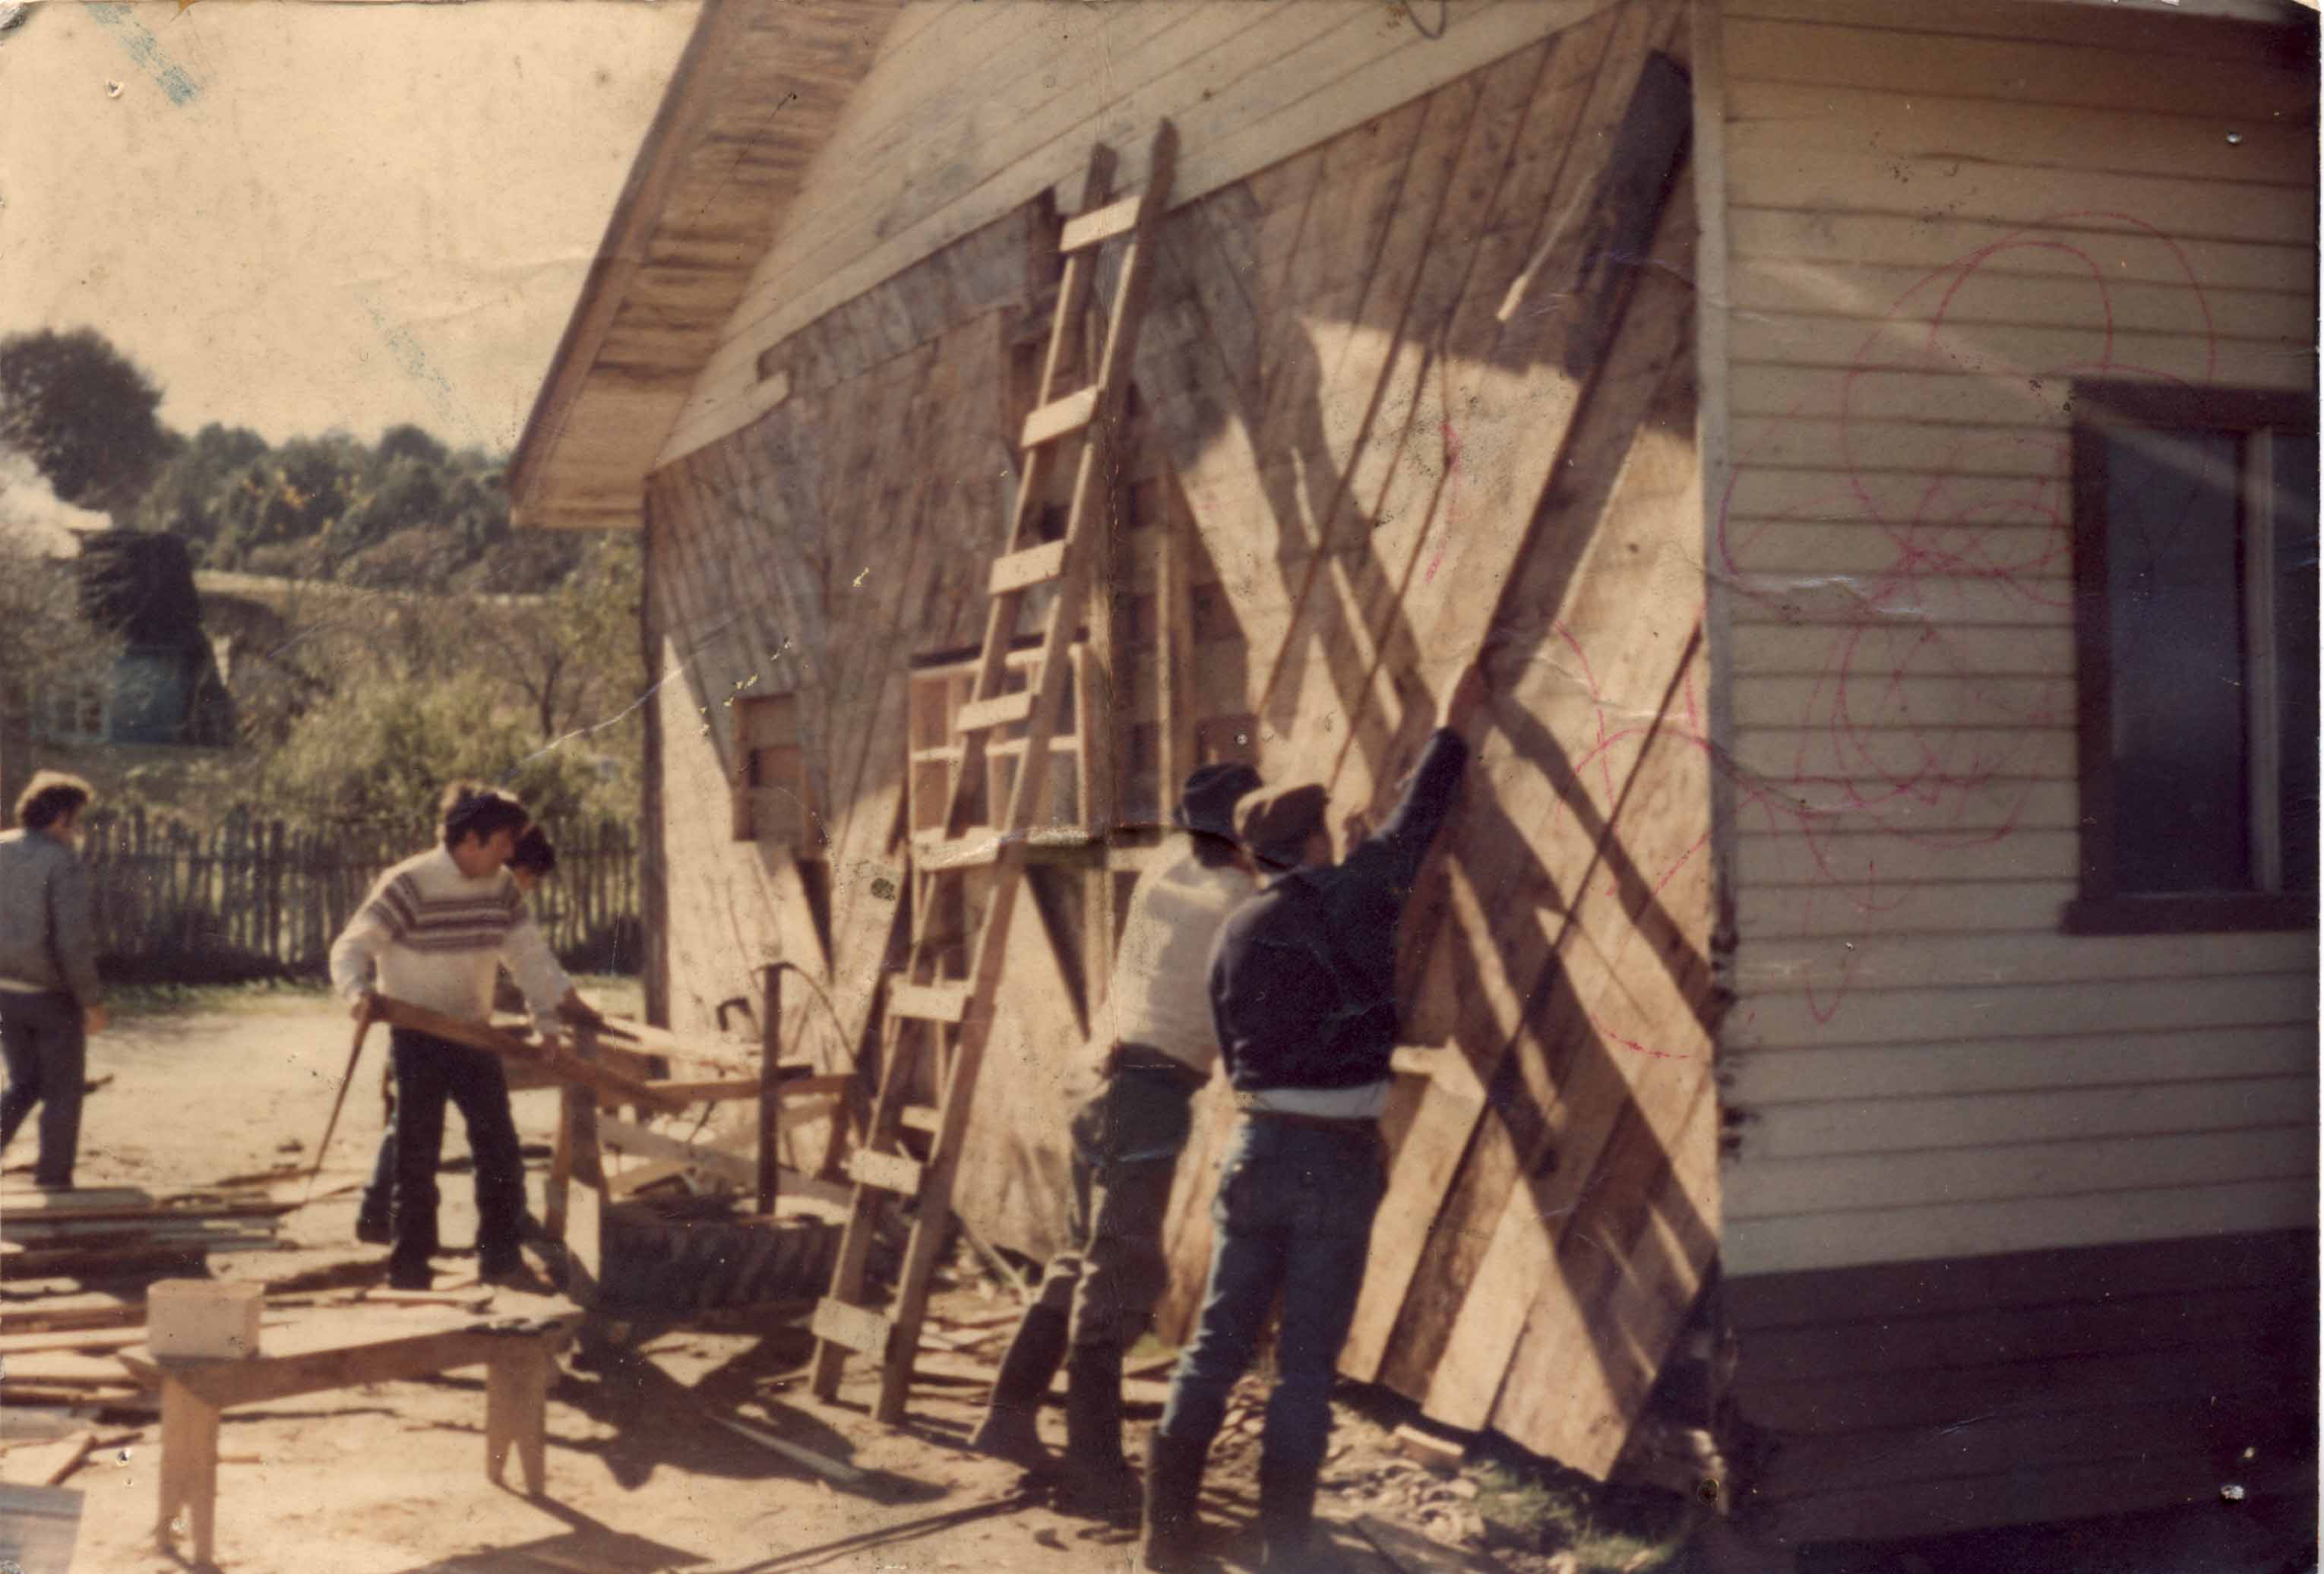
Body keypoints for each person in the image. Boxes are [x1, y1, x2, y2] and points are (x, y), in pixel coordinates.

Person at [1142, 678, 1478, 1572]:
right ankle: (1284, 1551)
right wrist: (1449, 723)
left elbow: (1232, 1037)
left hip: (1255, 1147)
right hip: (1335, 1159)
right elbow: (1417, 821)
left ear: (1255, 856)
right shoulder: (1360, 891)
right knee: (1302, 1368)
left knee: (1214, 1346)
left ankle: (1161, 1539)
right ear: (1317, 839)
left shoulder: (1236, 932)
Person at [969, 762, 1264, 1519]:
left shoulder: (1167, 865)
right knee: (1119, 1272)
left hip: (1100, 1074)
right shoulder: (1237, 899)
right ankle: (1093, 1468)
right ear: (1238, 836)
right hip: (1149, 1091)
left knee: (1078, 1257)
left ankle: (1007, 1415)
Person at [330, 787, 598, 1289]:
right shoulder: (409, 884)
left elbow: (529, 957)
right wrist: (356, 993)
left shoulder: (500, 888)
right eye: (501, 843)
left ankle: (499, 1259)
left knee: (499, 1151)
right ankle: (409, 1273)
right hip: (418, 1038)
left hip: (475, 1036)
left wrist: (547, 1023)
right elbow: (351, 948)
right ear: (470, 841)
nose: (510, 855)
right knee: (416, 1157)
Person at [353, 826, 566, 1246]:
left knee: (470, 1135)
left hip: (462, 1028)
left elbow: (527, 956)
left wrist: (554, 1005)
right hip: (420, 1028)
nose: (528, 888)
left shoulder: (494, 894)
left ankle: (380, 1212)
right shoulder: (434, 886)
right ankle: (381, 1215)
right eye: (529, 877)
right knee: (418, 1133)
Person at [0, 772, 108, 1191]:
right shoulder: (62, 861)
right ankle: (54, 1181)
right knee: (64, 1091)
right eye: (77, 820)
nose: (77, 830)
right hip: (49, 997)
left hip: (3, 991)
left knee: (24, 1082)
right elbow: (71, 942)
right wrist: (91, 1002)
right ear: (62, 818)